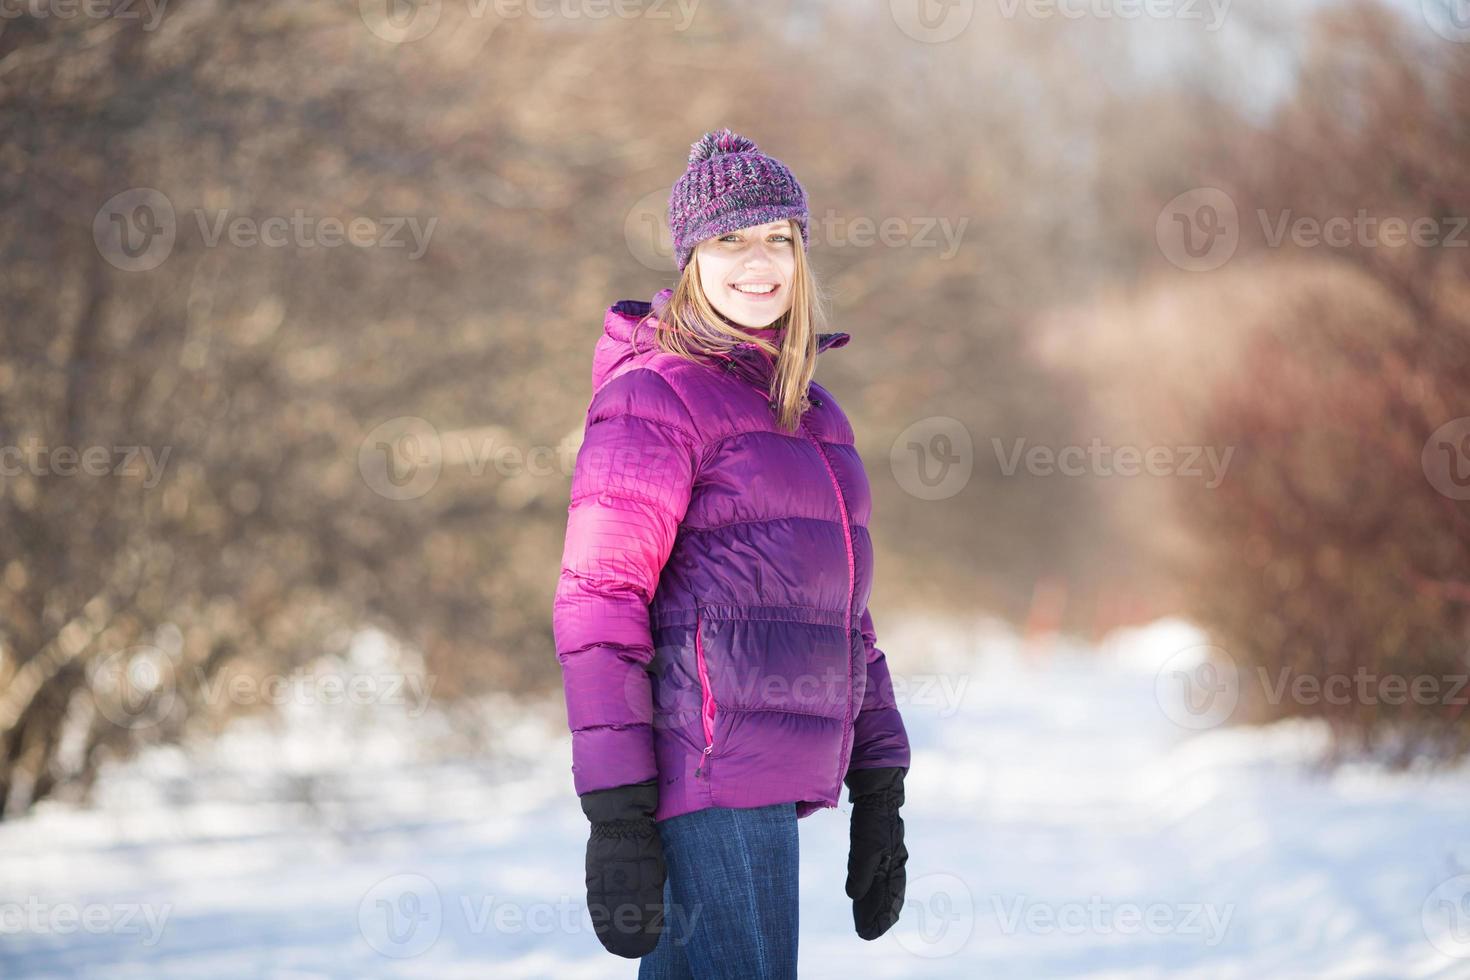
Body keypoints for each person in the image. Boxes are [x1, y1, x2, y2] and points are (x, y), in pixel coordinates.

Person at [551, 127, 911, 978]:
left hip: (764, 780)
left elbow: (846, 619)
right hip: (706, 776)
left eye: (779, 238)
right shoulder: (655, 395)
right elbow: (598, 602)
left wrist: (881, 786)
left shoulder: (815, 416)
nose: (759, 262)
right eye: (730, 239)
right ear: (690, 258)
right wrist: (617, 813)